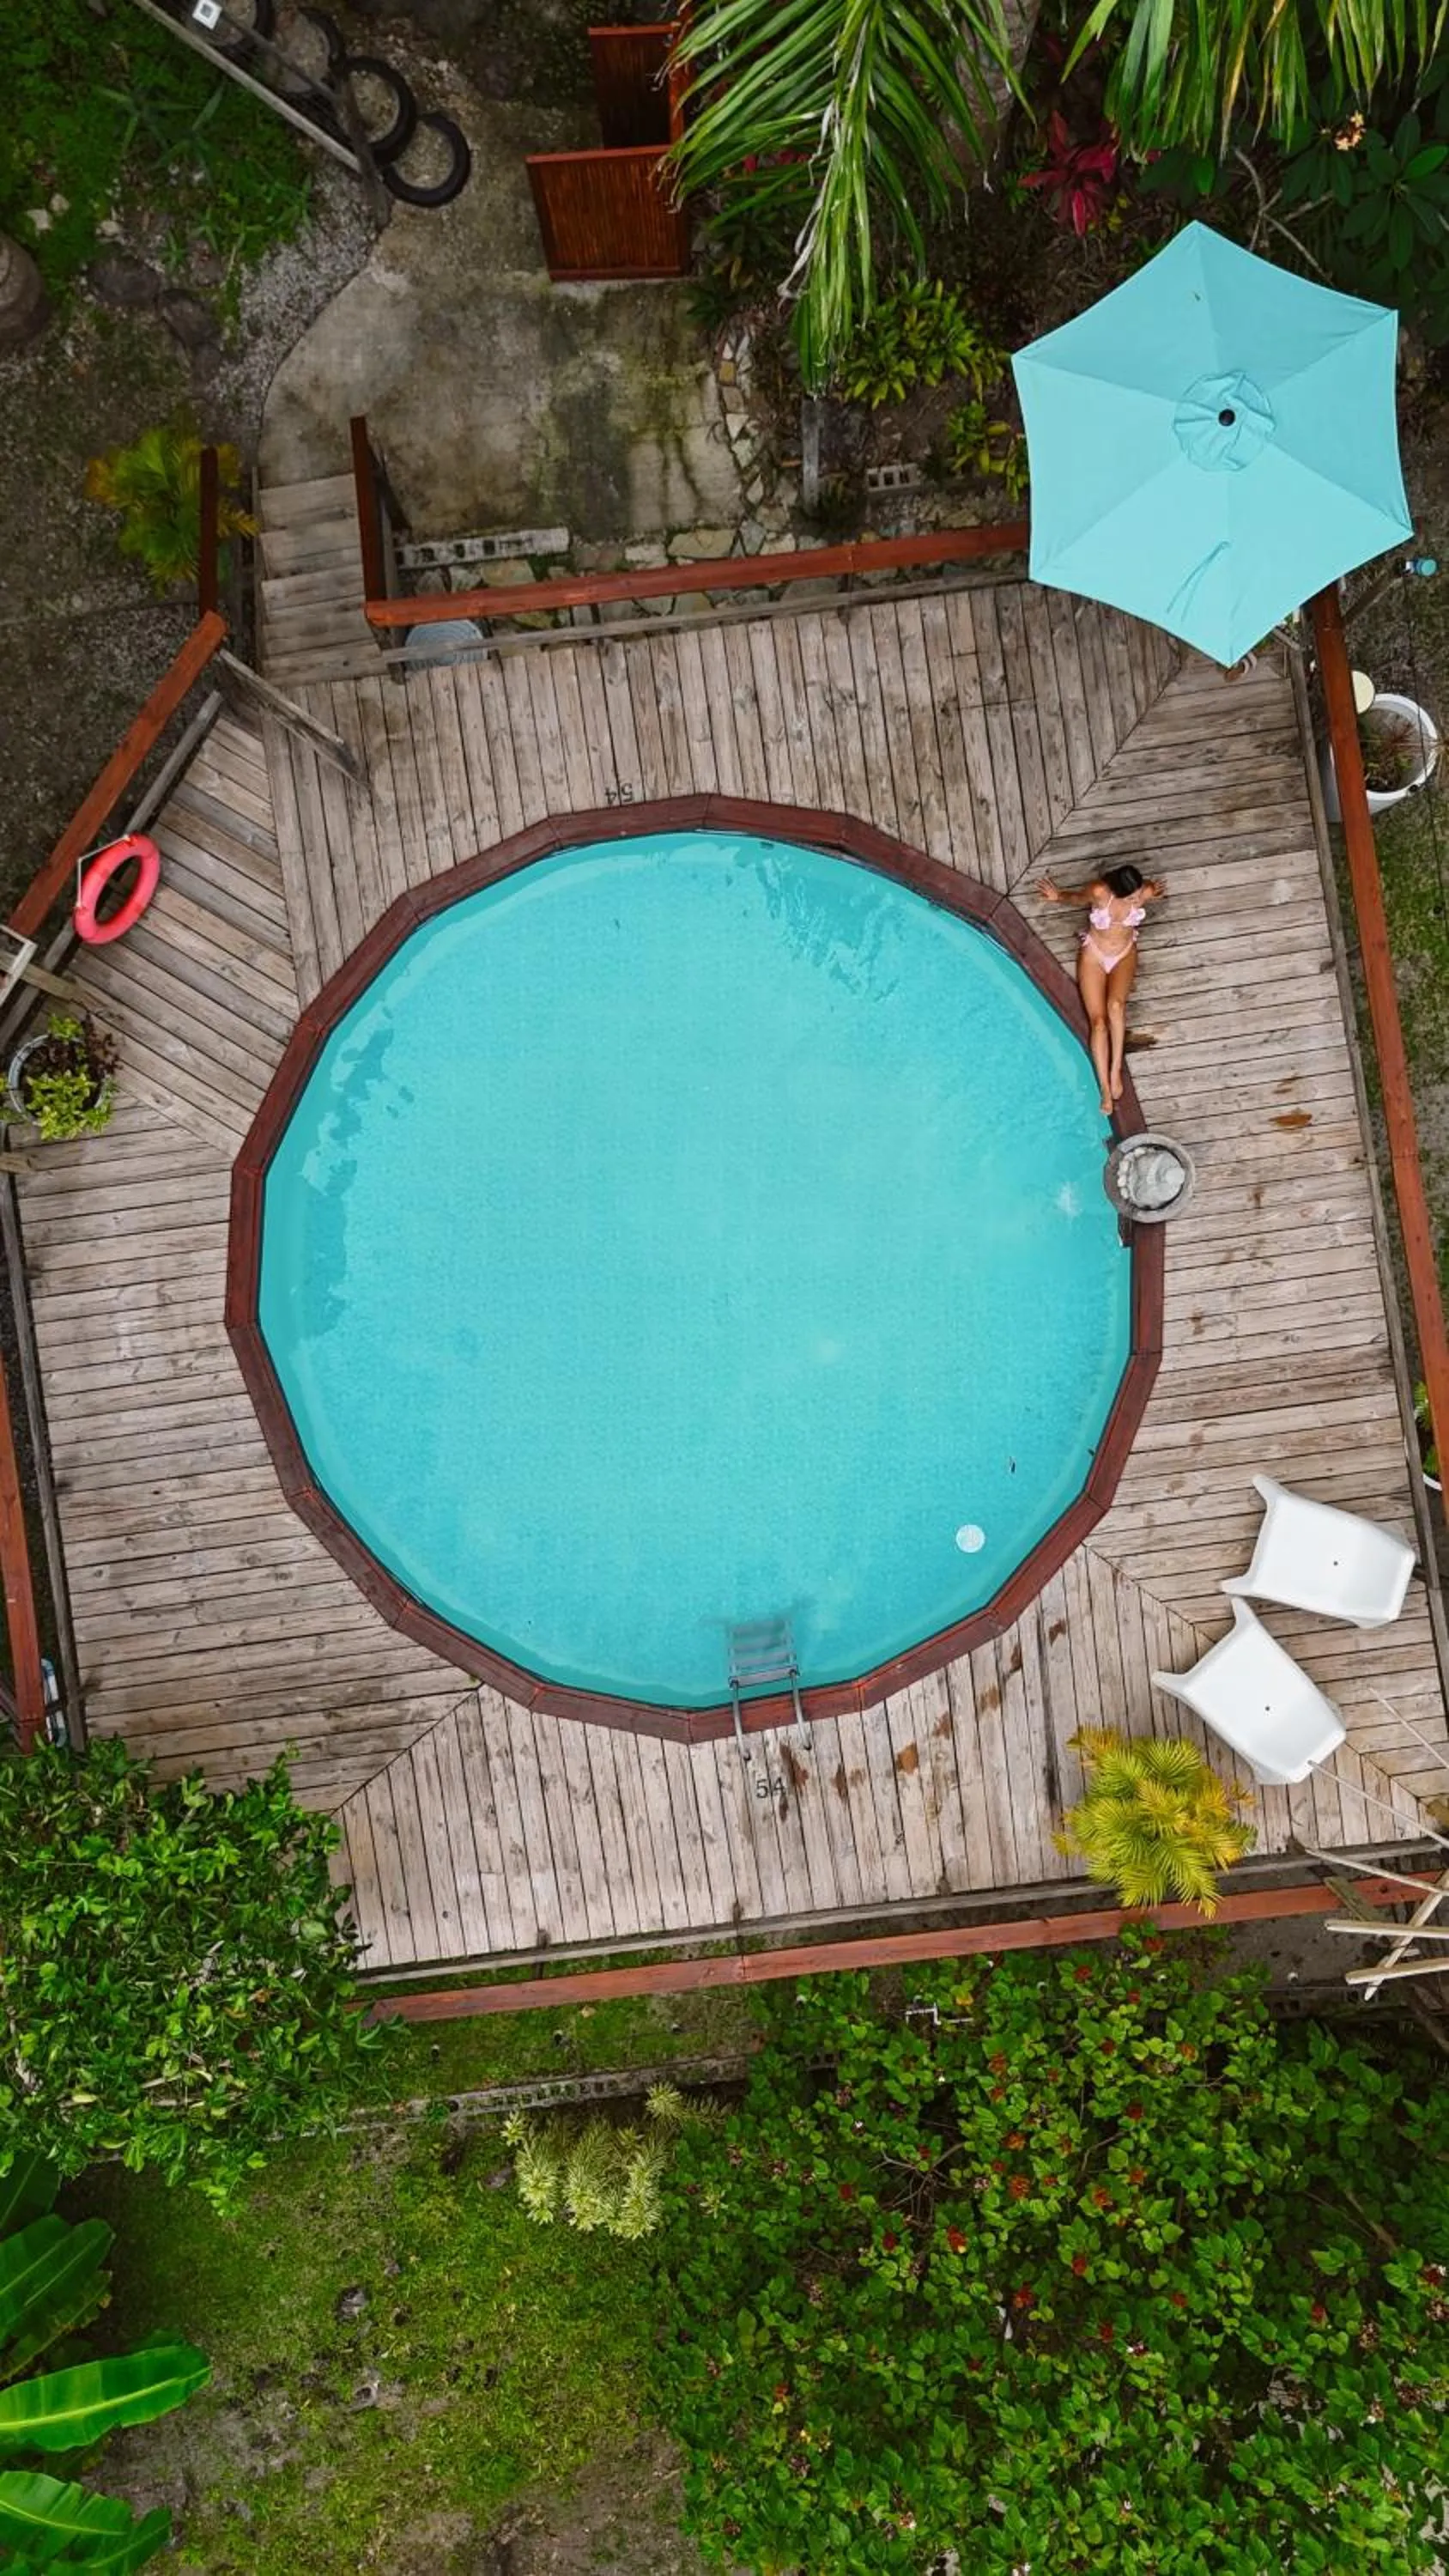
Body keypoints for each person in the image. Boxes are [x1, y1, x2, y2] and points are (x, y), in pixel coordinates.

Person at [1038, 863, 1165, 1117]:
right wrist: (1058, 896)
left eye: (1138, 894)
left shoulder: (1144, 892)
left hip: (1124, 952)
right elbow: (1077, 898)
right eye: (1131, 897)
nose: (1138, 900)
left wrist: (1151, 891)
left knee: (1116, 1007)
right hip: (1095, 955)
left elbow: (1152, 890)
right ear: (1116, 892)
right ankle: (1105, 1088)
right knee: (1098, 1023)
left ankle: (1116, 1068)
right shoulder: (1099, 892)